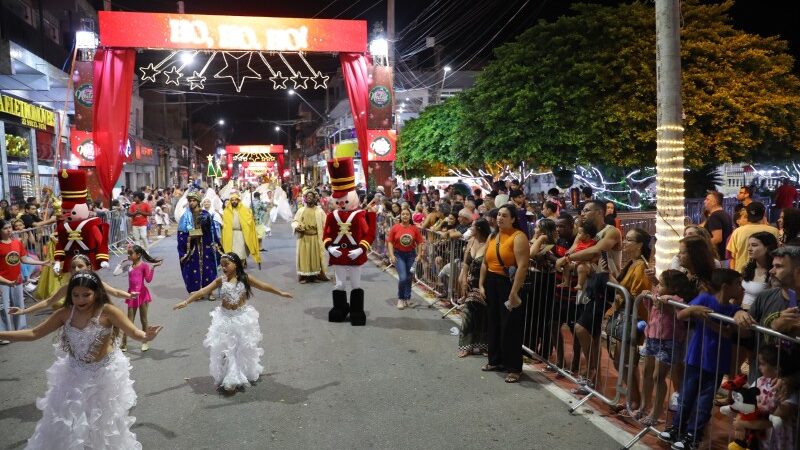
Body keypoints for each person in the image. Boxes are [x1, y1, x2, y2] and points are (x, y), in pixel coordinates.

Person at [0, 271, 162, 448]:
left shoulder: (108, 312)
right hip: (73, 375)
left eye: (86, 295)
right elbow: (33, 333)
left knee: (101, 424)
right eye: (75, 295)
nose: (80, 300)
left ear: (97, 293)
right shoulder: (65, 314)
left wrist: (147, 335)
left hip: (103, 377)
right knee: (69, 422)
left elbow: (134, 332)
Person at [174, 253, 292, 394]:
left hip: (241, 319)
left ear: (235, 264)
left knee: (239, 349)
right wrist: (186, 301)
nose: (223, 267)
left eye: (226, 264)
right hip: (224, 319)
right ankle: (230, 377)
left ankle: (236, 376)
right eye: (221, 265)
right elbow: (203, 291)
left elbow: (264, 286)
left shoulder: (245, 279)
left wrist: (281, 293)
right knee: (226, 349)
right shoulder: (221, 280)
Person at [660, 268, 742, 449]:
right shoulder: (705, 299)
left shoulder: (733, 309)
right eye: (738, 284)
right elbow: (681, 314)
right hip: (696, 357)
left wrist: (709, 321)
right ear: (725, 286)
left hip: (717, 362)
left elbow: (729, 333)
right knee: (686, 396)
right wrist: (694, 309)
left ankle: (692, 435)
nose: (741, 288)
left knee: (705, 402)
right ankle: (676, 428)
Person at [636, 270, 697, 426]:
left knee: (658, 376)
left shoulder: (677, 300)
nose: (658, 286)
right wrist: (647, 296)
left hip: (669, 341)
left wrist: (666, 302)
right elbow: (651, 309)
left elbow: (680, 315)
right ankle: (644, 405)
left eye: (661, 284)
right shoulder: (658, 294)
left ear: (673, 287)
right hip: (651, 337)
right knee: (647, 371)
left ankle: (655, 413)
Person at [479, 204, 530, 383]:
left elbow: (523, 266)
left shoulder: (518, 237)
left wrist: (514, 292)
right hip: (491, 282)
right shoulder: (493, 235)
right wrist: (481, 285)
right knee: (493, 322)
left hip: (508, 283)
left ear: (513, 219)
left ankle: (514, 367)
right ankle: (495, 361)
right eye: (499, 215)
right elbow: (485, 261)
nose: (499, 218)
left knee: (510, 326)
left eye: (505, 215)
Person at [0, 219, 50, 337]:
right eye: (5, 228)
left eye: (9, 227)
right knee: (4, 308)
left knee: (18, 305)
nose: (9, 230)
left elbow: (25, 258)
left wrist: (41, 262)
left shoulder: (17, 243)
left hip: (17, 280)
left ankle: (20, 330)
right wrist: (7, 281)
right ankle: (5, 334)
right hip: (3, 282)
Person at [557, 199, 623, 278]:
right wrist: (566, 258)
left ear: (599, 213)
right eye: (582, 211)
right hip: (587, 282)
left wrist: (566, 259)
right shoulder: (583, 231)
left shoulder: (612, 231)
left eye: (586, 211)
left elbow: (596, 250)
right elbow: (573, 249)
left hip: (606, 284)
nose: (582, 214)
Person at [115, 245, 162, 352]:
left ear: (138, 255)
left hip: (142, 295)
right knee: (129, 321)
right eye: (128, 253)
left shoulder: (144, 266)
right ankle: (124, 343)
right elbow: (115, 273)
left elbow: (148, 280)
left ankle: (145, 342)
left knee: (143, 319)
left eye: (131, 253)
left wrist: (153, 268)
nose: (129, 255)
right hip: (131, 295)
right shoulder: (129, 266)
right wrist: (121, 262)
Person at [456, 218, 491, 357]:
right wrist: (463, 279)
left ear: (480, 229)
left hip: (485, 283)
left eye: (473, 227)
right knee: (468, 312)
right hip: (470, 282)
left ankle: (482, 345)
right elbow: (466, 263)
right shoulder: (471, 241)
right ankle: (466, 345)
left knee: (483, 315)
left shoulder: (489, 242)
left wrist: (481, 284)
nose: (470, 229)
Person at [177, 191, 222, 295]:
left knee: (208, 267)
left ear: (198, 202)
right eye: (190, 201)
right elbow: (180, 234)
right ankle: (196, 292)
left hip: (205, 245)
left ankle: (209, 291)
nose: (191, 203)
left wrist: (207, 225)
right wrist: (189, 237)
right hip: (193, 247)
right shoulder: (185, 216)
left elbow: (212, 231)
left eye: (194, 201)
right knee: (193, 269)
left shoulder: (206, 214)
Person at [726, 202, 779, 272]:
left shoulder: (737, 232)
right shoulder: (774, 231)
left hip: (742, 273)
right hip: (767, 272)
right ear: (763, 214)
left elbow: (733, 257)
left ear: (748, 214)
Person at [387, 208, 424, 309]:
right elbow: (389, 241)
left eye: (407, 214)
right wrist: (391, 255)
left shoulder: (414, 228)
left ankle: (407, 298)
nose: (405, 216)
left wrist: (419, 255)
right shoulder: (395, 228)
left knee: (409, 277)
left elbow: (420, 242)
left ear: (410, 216)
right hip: (399, 255)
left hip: (411, 255)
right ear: (400, 216)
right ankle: (400, 298)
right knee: (403, 277)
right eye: (403, 214)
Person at [291, 190, 328, 283]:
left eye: (311, 196)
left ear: (315, 198)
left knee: (315, 257)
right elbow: (294, 221)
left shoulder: (319, 211)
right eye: (307, 197)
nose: (309, 198)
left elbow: (326, 224)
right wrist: (297, 227)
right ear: (305, 198)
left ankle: (314, 276)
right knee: (304, 257)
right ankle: (305, 277)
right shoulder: (301, 210)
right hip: (304, 237)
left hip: (315, 237)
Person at [221, 192, 261, 268]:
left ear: (238, 200)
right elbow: (225, 225)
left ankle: (241, 267)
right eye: (232, 200)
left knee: (241, 253)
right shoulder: (226, 211)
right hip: (231, 235)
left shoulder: (245, 210)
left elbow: (249, 221)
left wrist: (251, 218)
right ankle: (235, 268)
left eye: (236, 200)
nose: (234, 201)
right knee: (232, 253)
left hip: (241, 234)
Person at [740, 232, 779, 310]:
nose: (749, 249)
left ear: (767, 247)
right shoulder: (746, 268)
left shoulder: (774, 272)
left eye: (754, 245)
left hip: (758, 316)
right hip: (741, 313)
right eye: (749, 245)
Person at [702, 190, 733, 263]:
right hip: (725, 256)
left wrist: (701, 244)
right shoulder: (725, 214)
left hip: (718, 258)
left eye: (707, 199)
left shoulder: (715, 216)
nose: (704, 201)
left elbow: (717, 238)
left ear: (714, 202)